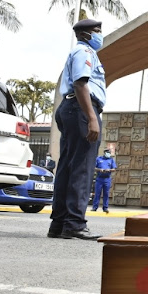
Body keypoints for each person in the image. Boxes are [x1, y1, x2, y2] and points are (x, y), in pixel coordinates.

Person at [48, 19, 106, 240]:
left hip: (72, 108)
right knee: (81, 167)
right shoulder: (84, 52)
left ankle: (59, 223)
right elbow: (81, 84)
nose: (100, 35)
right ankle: (74, 223)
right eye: (97, 31)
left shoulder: (82, 52)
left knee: (68, 167)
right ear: (85, 34)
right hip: (81, 108)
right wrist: (92, 117)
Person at [92, 148, 117, 212]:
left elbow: (114, 169)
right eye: (108, 152)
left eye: (109, 153)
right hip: (99, 178)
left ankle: (105, 208)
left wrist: (109, 170)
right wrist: (100, 170)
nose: (109, 154)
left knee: (106, 193)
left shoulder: (111, 160)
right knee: (97, 193)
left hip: (107, 179)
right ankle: (95, 207)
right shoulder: (98, 159)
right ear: (105, 153)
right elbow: (94, 168)